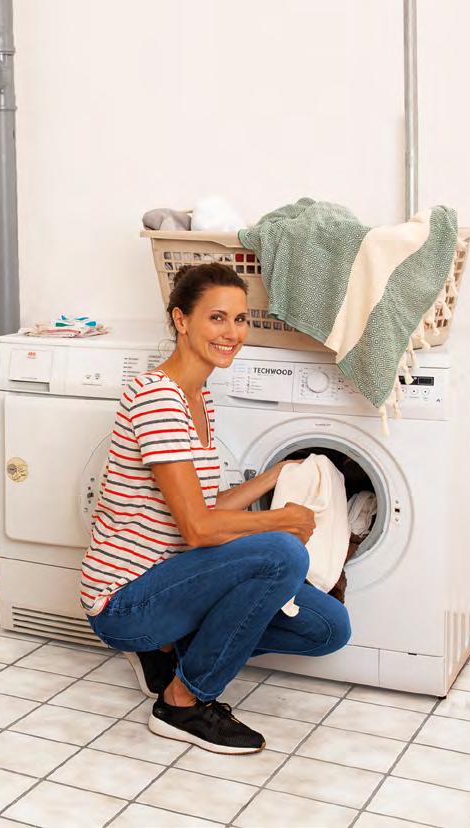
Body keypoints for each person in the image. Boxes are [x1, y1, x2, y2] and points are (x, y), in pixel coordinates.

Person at [81, 263, 351, 754]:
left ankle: (169, 651)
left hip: (176, 580)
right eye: (217, 318)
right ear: (181, 320)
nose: (232, 333)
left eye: (240, 319)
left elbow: (202, 508)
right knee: (283, 553)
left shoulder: (199, 397)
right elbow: (199, 529)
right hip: (124, 600)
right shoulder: (157, 399)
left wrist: (274, 476)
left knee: (329, 628)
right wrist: (283, 521)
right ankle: (182, 702)